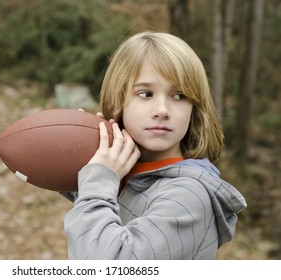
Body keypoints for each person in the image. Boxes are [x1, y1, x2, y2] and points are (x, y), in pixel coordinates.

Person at [63, 31, 247, 259]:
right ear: (116, 100)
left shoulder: (188, 196)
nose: (162, 110)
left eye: (179, 96)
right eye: (146, 93)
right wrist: (74, 149)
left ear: (194, 108)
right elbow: (92, 209)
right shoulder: (126, 172)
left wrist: (100, 178)